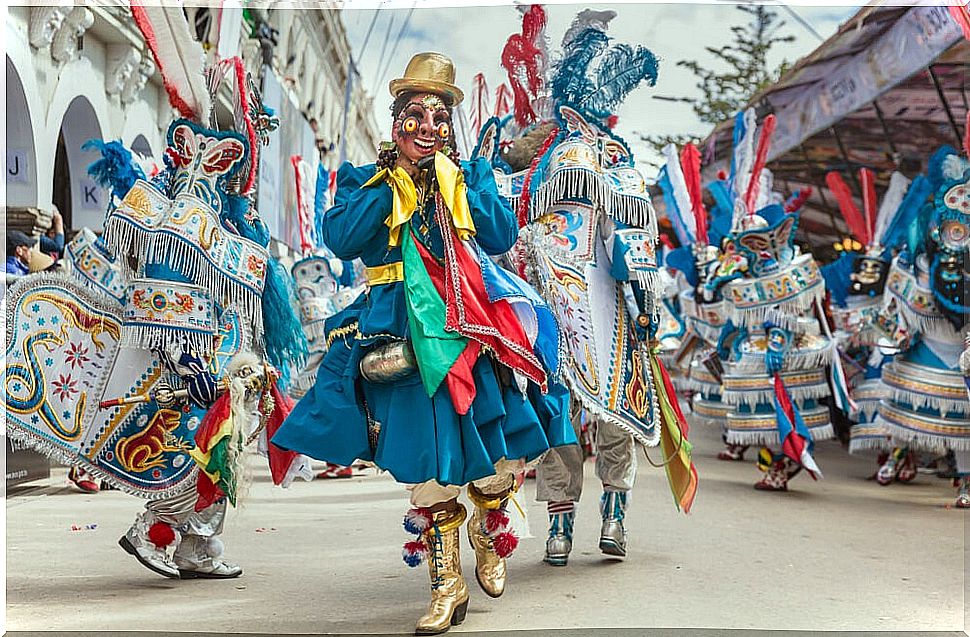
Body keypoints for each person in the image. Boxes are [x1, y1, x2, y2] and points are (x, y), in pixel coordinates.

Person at [273, 52, 575, 635]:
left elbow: (501, 232)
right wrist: (396, 188)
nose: (428, 128)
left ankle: (491, 528)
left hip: (469, 327)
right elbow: (340, 238)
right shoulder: (365, 181)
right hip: (398, 333)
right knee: (425, 470)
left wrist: (467, 179)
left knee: (494, 458)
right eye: (416, 116)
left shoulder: (469, 177)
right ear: (396, 123)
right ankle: (446, 584)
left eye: (440, 118)